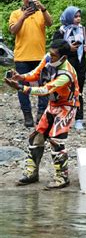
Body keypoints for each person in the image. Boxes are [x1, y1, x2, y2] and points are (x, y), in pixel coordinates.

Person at [4, 39, 79, 189]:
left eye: (54, 55)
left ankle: (62, 177)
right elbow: (35, 73)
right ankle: (32, 173)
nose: (50, 57)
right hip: (53, 105)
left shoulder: (67, 74)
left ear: (63, 58)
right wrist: (21, 77)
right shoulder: (48, 58)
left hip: (67, 106)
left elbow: (45, 90)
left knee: (56, 141)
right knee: (36, 138)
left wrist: (21, 88)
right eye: (50, 53)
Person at [9, 0, 52, 127]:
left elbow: (50, 23)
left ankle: (41, 113)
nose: (30, 0)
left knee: (43, 86)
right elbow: (13, 30)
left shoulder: (41, 13)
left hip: (40, 57)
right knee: (22, 87)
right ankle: (27, 115)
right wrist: (23, 16)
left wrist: (43, 9)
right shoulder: (15, 14)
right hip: (22, 57)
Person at [53, 6, 86, 130]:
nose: (78, 19)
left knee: (78, 91)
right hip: (65, 65)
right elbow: (55, 48)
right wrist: (68, 48)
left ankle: (79, 118)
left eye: (79, 16)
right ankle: (62, 116)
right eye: (75, 16)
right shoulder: (61, 31)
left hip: (80, 64)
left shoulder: (83, 30)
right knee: (63, 90)